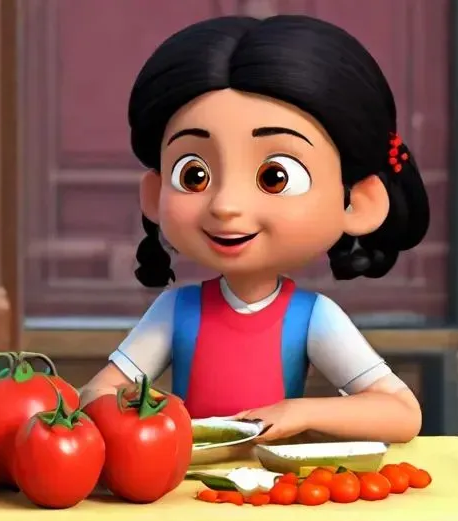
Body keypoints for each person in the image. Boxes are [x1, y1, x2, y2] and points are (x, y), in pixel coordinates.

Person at [79, 15, 429, 444]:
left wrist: (299, 412)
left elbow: (401, 412)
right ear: (154, 195)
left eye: (275, 177)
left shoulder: (311, 317)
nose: (226, 206)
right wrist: (141, 414)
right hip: (177, 482)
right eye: (194, 176)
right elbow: (97, 393)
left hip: (276, 490)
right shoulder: (177, 310)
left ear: (357, 202)